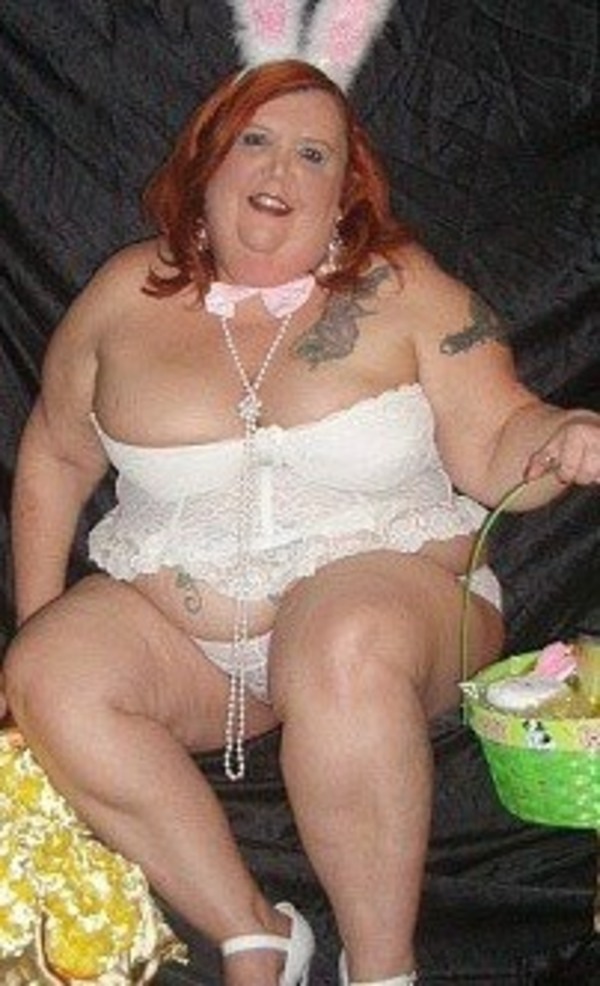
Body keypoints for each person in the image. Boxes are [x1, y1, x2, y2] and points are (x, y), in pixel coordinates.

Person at [2, 58, 599, 986]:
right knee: (51, 671)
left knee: (340, 633)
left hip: (397, 615)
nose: (281, 169)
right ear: (207, 162)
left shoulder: (404, 287)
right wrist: (35, 628)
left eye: (313, 154)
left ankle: (382, 970)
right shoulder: (122, 294)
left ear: (344, 193)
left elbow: (498, 441)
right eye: (256, 140)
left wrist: (559, 435)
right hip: (197, 647)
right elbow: (54, 456)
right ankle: (253, 934)